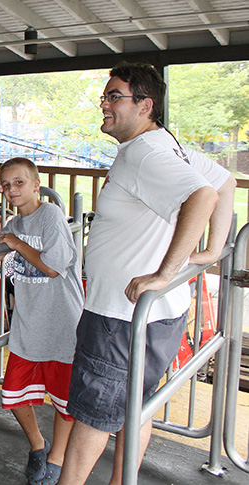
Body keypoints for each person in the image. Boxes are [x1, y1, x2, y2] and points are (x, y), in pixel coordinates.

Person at [58, 62, 235, 485]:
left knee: (94, 417)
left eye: (114, 96)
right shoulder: (166, 145)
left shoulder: (144, 153)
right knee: (136, 407)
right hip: (155, 316)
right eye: (105, 96)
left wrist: (165, 271)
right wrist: (209, 251)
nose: (104, 103)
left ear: (145, 105)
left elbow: (204, 194)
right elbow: (225, 182)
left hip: (120, 316)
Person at [0, 158, 84, 485]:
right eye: (6, 185)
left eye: (19, 183)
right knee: (15, 393)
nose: (11, 190)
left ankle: (57, 456)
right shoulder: (11, 226)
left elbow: (53, 266)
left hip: (62, 321)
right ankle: (38, 444)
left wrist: (15, 244)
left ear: (36, 185)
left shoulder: (49, 216)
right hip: (27, 324)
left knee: (64, 398)